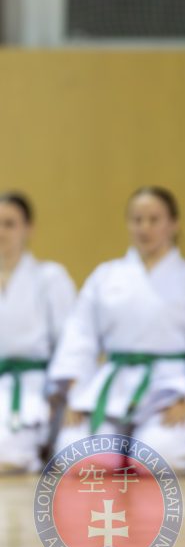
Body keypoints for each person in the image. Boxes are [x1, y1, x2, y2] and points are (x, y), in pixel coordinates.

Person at [49, 187, 185, 474]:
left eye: (154, 219)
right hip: (113, 386)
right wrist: (78, 396)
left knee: (156, 458)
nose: (145, 228)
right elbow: (80, 338)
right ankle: (119, 449)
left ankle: (179, 455)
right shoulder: (106, 276)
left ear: (173, 223)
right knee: (76, 457)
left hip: (170, 390)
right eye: (137, 220)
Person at [0, 192, 76, 472]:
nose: (2, 232)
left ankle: (39, 445)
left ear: (28, 228)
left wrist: (59, 394)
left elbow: (70, 344)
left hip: (36, 387)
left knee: (7, 454)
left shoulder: (50, 277)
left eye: (10, 224)